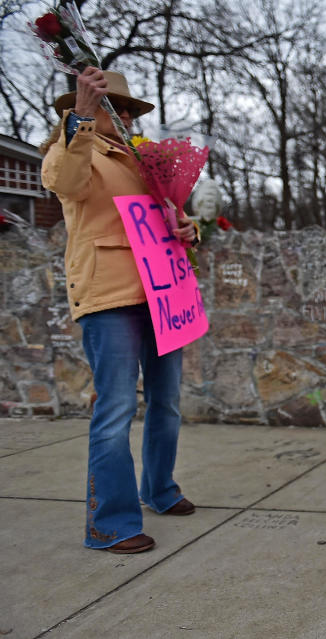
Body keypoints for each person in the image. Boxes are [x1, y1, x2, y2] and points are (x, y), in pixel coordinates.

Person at [40, 67, 197, 554]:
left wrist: (190, 231)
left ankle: (159, 489)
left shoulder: (144, 159)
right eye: (116, 106)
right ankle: (110, 523)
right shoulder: (73, 149)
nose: (124, 115)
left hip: (162, 295)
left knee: (167, 403)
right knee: (115, 410)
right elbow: (63, 182)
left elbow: (172, 216)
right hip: (109, 296)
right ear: (89, 106)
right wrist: (82, 117)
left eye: (129, 109)